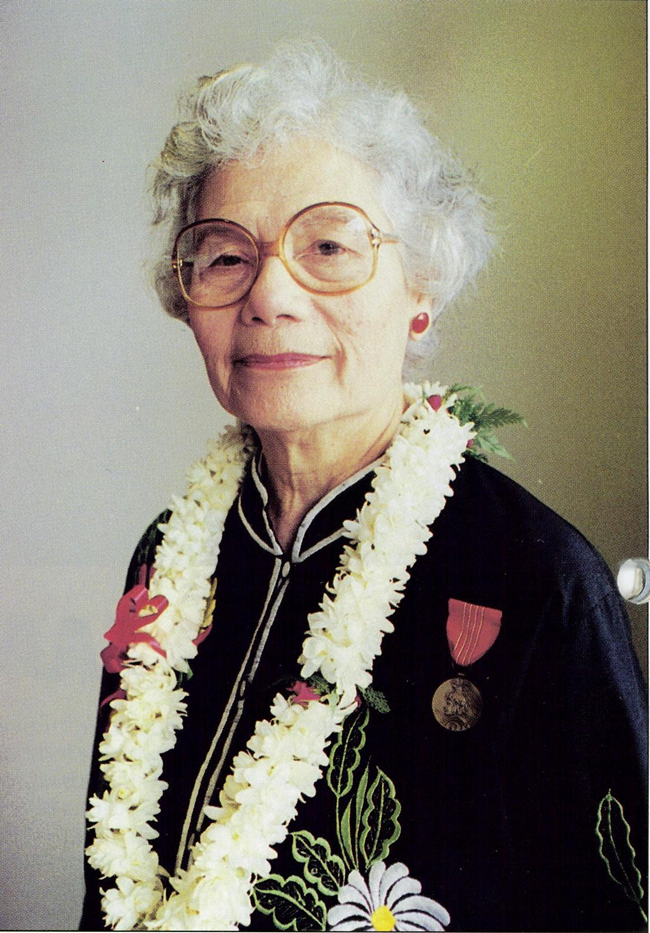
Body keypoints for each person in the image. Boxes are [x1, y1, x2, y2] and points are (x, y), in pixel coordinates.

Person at [81, 40, 647, 932]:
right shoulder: (166, 556)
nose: (270, 294)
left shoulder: (541, 581)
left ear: (421, 291)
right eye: (226, 256)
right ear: (186, 296)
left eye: (330, 245)